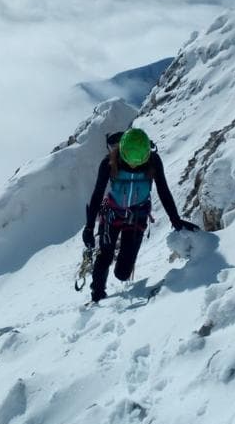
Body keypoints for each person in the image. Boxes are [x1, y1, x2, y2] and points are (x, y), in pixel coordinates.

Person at [82, 127, 198, 303]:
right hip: (111, 213)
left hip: (137, 216)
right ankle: (97, 296)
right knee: (104, 255)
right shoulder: (109, 162)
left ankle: (116, 279)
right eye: (130, 162)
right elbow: (97, 194)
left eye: (139, 163)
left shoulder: (153, 161)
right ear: (121, 153)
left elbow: (163, 190)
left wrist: (176, 220)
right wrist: (89, 227)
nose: (134, 166)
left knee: (122, 273)